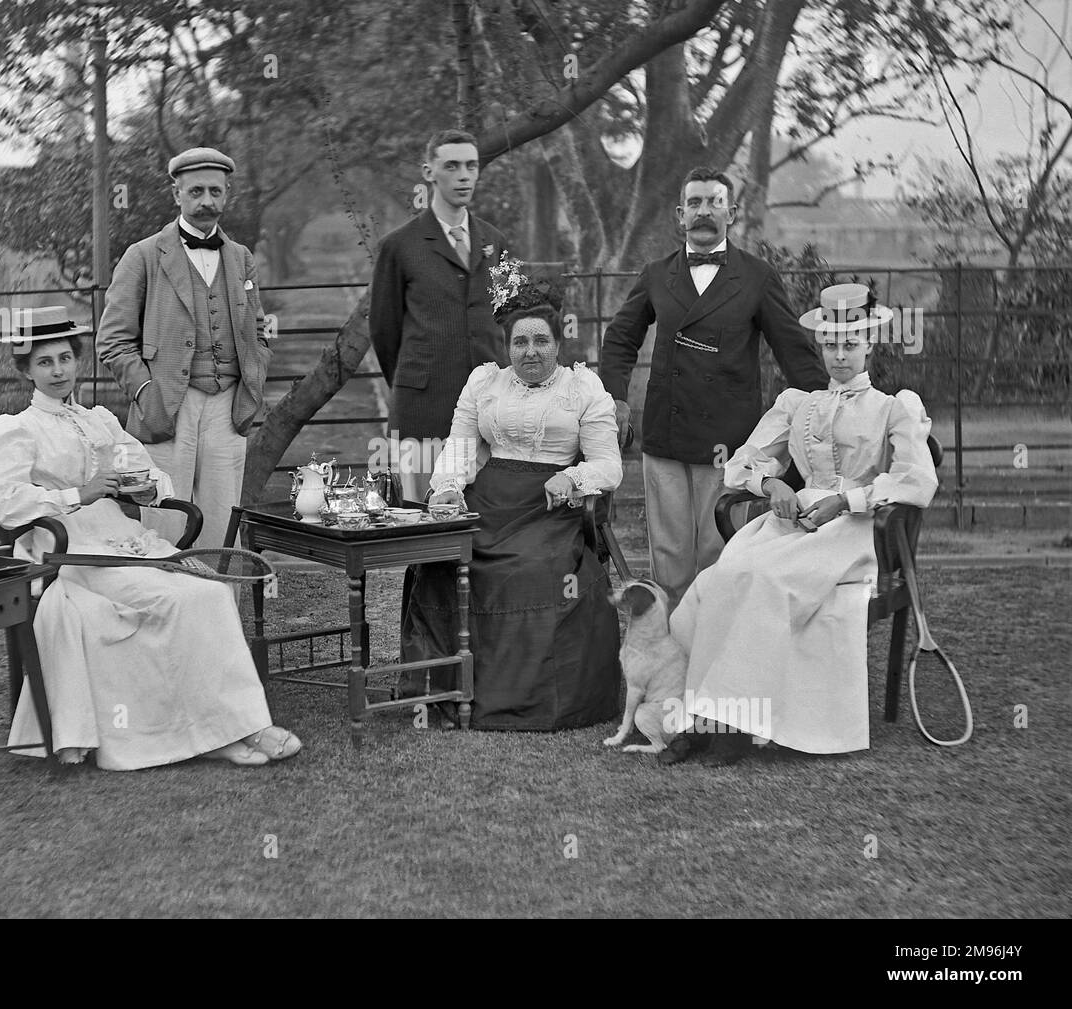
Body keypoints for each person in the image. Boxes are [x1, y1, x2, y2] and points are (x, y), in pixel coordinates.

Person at [0, 307, 300, 769]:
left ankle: (239, 724)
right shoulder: (14, 430)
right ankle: (221, 735)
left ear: (77, 360)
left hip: (123, 538)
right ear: (26, 369)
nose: (58, 371)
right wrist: (77, 494)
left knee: (209, 591)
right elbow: (7, 505)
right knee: (172, 601)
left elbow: (146, 472)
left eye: (65, 359)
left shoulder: (99, 420)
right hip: (68, 550)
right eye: (44, 362)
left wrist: (149, 488)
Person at [662, 284, 938, 765]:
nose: (839, 356)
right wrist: (772, 487)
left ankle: (733, 725)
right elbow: (740, 463)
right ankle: (703, 718)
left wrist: (846, 500)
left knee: (767, 582)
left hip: (856, 528)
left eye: (850, 344)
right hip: (793, 523)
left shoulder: (894, 407)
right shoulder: (797, 403)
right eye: (830, 345)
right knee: (722, 578)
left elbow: (916, 481)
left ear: (870, 343)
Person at [400, 270, 623, 730]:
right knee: (438, 559)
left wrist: (573, 478)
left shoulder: (584, 388)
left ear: (559, 343)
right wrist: (446, 489)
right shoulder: (485, 383)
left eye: (541, 340)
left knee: (531, 569)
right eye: (520, 343)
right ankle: (443, 692)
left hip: (552, 509)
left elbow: (610, 466)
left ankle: (525, 701)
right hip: (490, 501)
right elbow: (459, 446)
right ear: (507, 347)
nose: (531, 352)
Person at [599, 166, 829, 603]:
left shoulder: (757, 276)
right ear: (680, 214)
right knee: (668, 560)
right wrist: (616, 401)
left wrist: (827, 404)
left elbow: (793, 351)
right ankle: (676, 661)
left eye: (715, 202)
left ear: (732, 212)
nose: (705, 211)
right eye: (697, 203)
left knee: (719, 556)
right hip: (665, 437)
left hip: (728, 442)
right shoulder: (655, 274)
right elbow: (620, 338)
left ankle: (718, 660)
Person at [97, 146, 272, 550]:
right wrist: (147, 392)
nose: (206, 201)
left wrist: (254, 376)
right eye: (195, 191)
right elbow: (112, 340)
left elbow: (258, 330)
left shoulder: (241, 258)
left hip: (229, 408)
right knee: (164, 527)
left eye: (215, 191)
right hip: (168, 408)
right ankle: (165, 608)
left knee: (220, 530)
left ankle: (215, 610)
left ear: (227, 194)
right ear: (176, 194)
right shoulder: (143, 256)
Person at [369, 128, 511, 502]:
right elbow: (384, 333)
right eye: (451, 166)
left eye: (471, 165)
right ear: (429, 172)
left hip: (488, 413)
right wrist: (415, 379)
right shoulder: (399, 246)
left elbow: (509, 319)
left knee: (484, 521)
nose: (463, 175)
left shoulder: (495, 241)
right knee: (420, 525)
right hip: (423, 412)